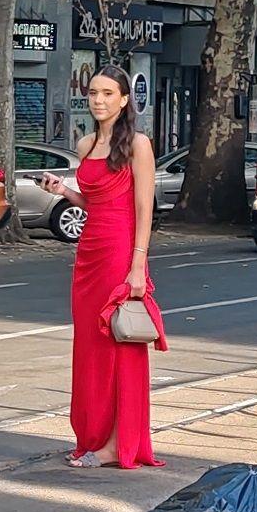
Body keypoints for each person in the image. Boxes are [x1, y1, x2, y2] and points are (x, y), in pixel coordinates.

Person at [39, 67, 166, 469]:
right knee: (91, 346)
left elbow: (144, 208)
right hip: (89, 252)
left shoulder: (139, 145)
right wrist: (64, 191)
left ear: (125, 100)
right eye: (93, 92)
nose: (98, 100)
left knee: (119, 342)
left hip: (120, 251)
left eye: (108, 93)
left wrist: (137, 265)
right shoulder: (85, 143)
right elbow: (95, 204)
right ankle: (93, 435)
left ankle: (118, 442)